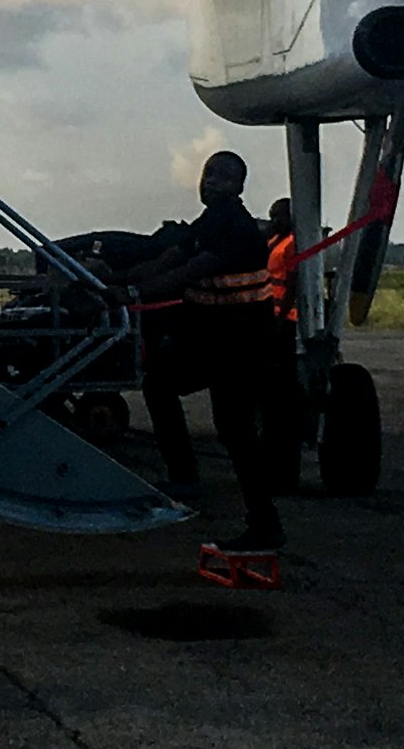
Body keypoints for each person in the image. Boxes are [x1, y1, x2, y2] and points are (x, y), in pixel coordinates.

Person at [124, 151, 291, 550]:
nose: (210, 181)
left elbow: (188, 271)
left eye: (221, 176)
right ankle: (184, 476)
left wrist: (127, 294)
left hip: (241, 347)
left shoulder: (238, 229)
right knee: (160, 383)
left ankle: (265, 525)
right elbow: (170, 258)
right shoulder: (210, 222)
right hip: (211, 342)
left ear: (239, 187)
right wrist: (112, 280)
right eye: (207, 173)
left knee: (236, 431)